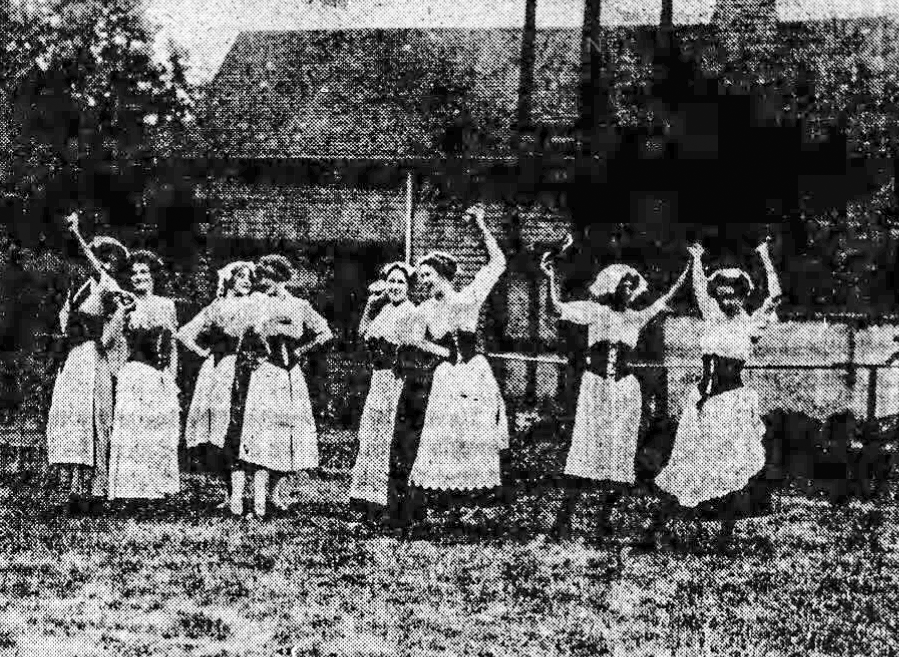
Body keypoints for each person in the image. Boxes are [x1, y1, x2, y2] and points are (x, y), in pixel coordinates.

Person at [640, 239, 782, 551]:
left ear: (743, 296)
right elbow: (699, 289)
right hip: (701, 403)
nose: (727, 300)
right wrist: (697, 259)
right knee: (685, 464)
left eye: (734, 295)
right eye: (722, 294)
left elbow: (776, 295)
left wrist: (764, 256)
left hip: (732, 403)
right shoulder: (711, 316)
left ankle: (725, 538)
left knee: (728, 469)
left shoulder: (752, 325)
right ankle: (655, 530)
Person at [541, 256, 689, 542]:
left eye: (632, 285)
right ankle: (562, 521)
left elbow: (669, 296)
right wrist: (550, 276)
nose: (628, 289)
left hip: (625, 392)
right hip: (595, 387)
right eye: (623, 283)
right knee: (584, 450)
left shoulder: (636, 317)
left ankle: (603, 522)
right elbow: (555, 307)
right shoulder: (592, 311)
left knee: (619, 454)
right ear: (611, 286)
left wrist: (689, 265)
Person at [402, 203, 509, 532]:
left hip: (474, 374)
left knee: (473, 435)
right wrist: (441, 351)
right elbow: (408, 337)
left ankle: (470, 506)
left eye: (427, 275)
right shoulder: (425, 310)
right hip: (447, 375)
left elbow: (498, 263)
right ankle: (442, 504)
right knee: (443, 437)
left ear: (443, 274)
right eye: (420, 278)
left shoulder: (468, 298)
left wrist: (481, 225)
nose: (423, 282)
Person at [230, 254, 333, 519]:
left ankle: (276, 494)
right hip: (267, 373)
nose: (266, 283)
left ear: (281, 278)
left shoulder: (299, 305)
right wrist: (255, 354)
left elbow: (325, 332)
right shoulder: (257, 304)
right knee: (264, 433)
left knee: (288, 435)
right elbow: (245, 335)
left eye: (271, 278)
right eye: (263, 279)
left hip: (291, 376)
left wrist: (302, 349)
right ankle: (258, 500)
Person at [46, 214, 130, 513]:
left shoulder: (110, 288)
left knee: (95, 419)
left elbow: (111, 333)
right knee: (71, 417)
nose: (106, 265)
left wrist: (77, 234)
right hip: (74, 358)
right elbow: (64, 322)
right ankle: (71, 487)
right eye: (103, 259)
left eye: (112, 262)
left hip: (94, 358)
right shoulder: (79, 287)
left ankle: (94, 488)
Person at [177, 261, 256, 509]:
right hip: (216, 371)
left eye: (249, 278)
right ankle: (229, 492)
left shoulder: (253, 305)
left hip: (241, 368)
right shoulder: (215, 307)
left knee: (236, 427)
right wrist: (203, 353)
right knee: (216, 431)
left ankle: (241, 494)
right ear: (229, 279)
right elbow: (183, 333)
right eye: (241, 277)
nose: (246, 281)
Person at [106, 250, 181, 503]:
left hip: (161, 377)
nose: (139, 277)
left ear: (153, 276)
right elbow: (108, 341)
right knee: (135, 432)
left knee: (159, 429)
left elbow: (172, 345)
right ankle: (132, 490)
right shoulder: (125, 305)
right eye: (134, 273)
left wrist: (173, 377)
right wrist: (121, 313)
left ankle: (157, 487)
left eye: (144, 272)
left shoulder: (167, 305)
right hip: (136, 373)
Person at [347, 261, 418, 523]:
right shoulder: (384, 310)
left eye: (400, 282)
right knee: (370, 436)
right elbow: (363, 333)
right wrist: (370, 303)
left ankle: (384, 500)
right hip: (378, 379)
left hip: (397, 380)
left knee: (387, 437)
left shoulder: (412, 313)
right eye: (391, 281)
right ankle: (364, 497)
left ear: (409, 287)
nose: (395, 286)